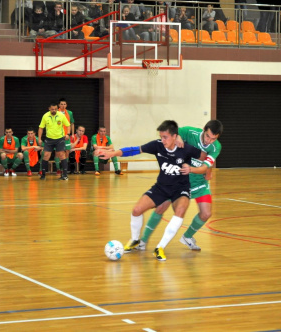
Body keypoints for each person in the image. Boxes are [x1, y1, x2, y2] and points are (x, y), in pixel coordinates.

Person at [97, 120, 207, 261]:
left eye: (165, 137)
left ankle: (160, 247)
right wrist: (113, 154)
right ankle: (135, 240)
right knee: (136, 210)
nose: (163, 140)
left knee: (180, 211)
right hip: (161, 187)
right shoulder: (157, 145)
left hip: (180, 189)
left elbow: (204, 157)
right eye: (161, 137)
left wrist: (200, 169)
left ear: (175, 136)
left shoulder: (186, 149)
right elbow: (135, 149)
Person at [138, 120, 223, 252]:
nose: (209, 141)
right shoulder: (189, 132)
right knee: (161, 207)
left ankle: (187, 236)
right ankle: (142, 240)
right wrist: (178, 137)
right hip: (178, 181)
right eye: (207, 136)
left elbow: (205, 167)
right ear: (203, 130)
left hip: (198, 181)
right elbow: (173, 134)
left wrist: (193, 169)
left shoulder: (216, 147)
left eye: (213, 139)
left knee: (206, 213)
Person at [38, 102, 71, 180]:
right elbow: (41, 127)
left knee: (62, 155)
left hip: (59, 139)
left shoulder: (61, 115)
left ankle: (65, 175)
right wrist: (39, 138)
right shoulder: (45, 116)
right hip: (49, 139)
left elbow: (68, 125)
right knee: (46, 155)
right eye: (52, 109)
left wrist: (68, 134)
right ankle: (43, 175)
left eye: (55, 109)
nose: (54, 110)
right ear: (49, 109)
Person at [53, 97, 74, 175]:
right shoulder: (55, 112)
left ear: (66, 105)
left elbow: (72, 123)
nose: (63, 105)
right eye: (61, 104)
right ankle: (58, 169)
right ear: (59, 105)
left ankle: (63, 169)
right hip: (58, 136)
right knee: (57, 153)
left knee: (67, 152)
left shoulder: (70, 113)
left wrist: (71, 134)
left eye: (64, 104)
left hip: (67, 135)